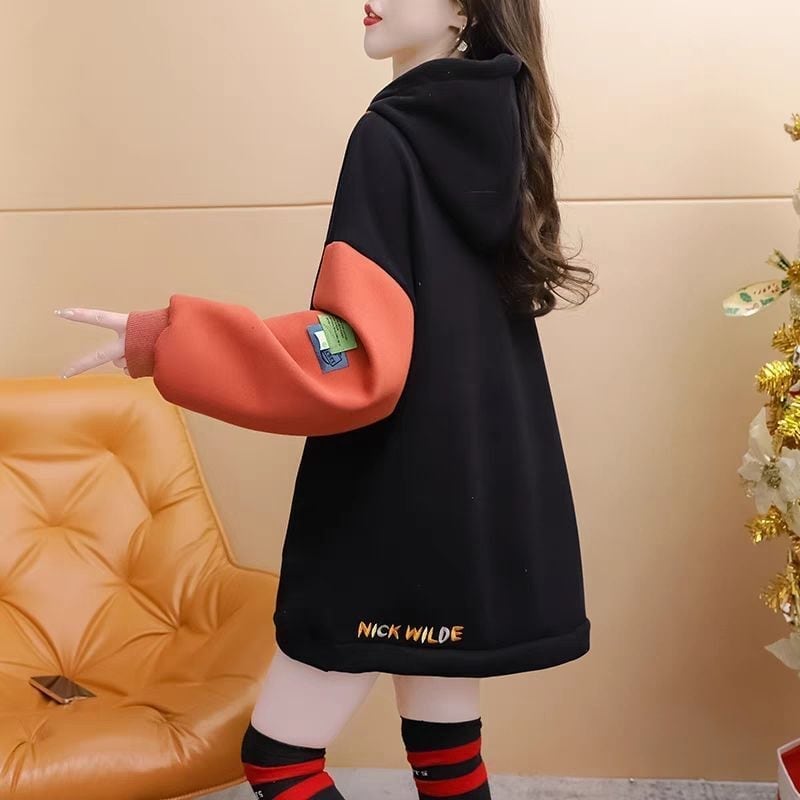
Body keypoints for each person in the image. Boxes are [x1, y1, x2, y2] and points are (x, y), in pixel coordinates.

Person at [54, 1, 598, 798]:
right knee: (446, 754)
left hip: (391, 503)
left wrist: (167, 339)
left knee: (281, 761)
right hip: (475, 503)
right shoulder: (505, 131)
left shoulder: (390, 137)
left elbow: (352, 352)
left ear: (463, 5)